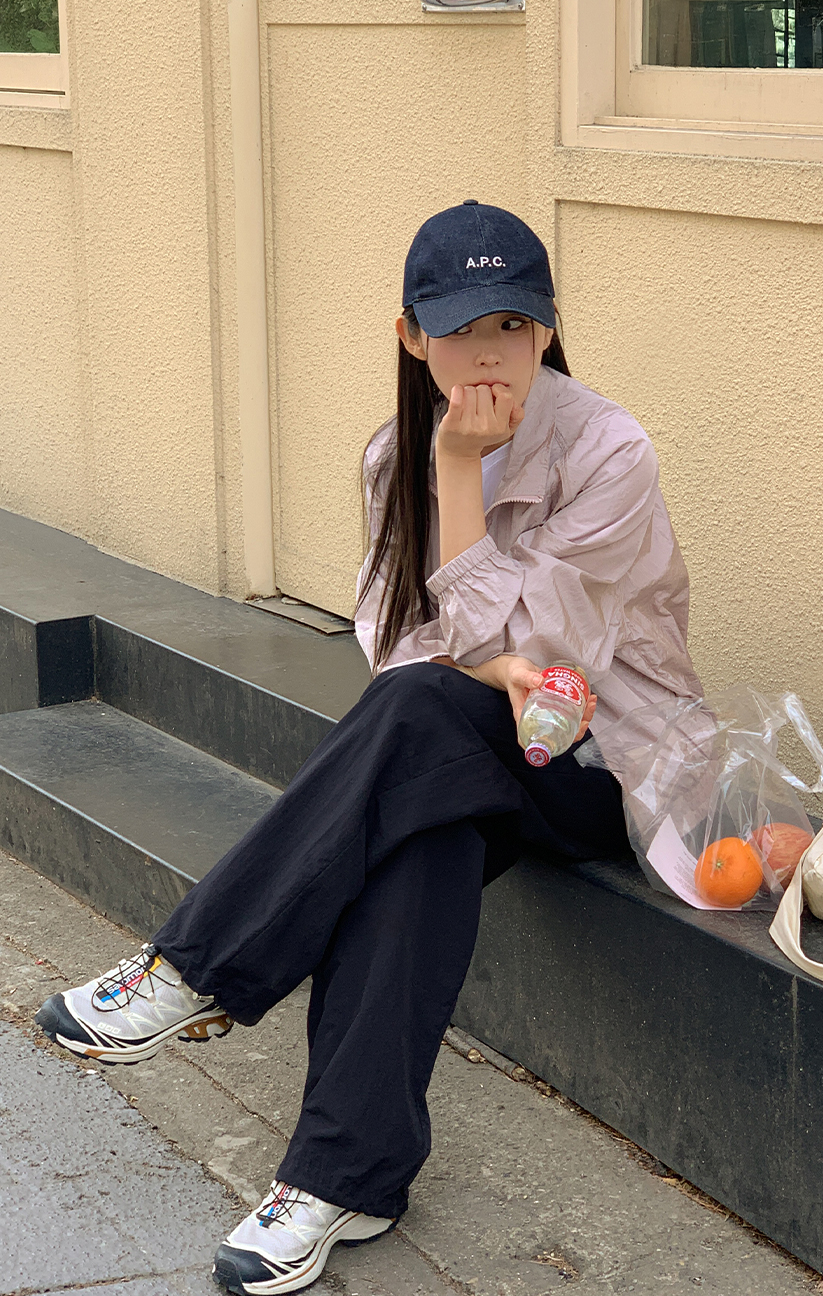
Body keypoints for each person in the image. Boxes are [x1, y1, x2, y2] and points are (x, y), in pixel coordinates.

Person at [34, 202, 703, 1295]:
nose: (488, 354)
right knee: (416, 833)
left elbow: (552, 663)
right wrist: (479, 643)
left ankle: (193, 969)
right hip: (467, 750)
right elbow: (399, 643)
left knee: (420, 717)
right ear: (410, 336)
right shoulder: (395, 453)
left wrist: (461, 480)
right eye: (460, 329)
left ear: (547, 328)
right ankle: (342, 1182)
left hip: (603, 765)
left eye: (512, 325)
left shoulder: (610, 452)